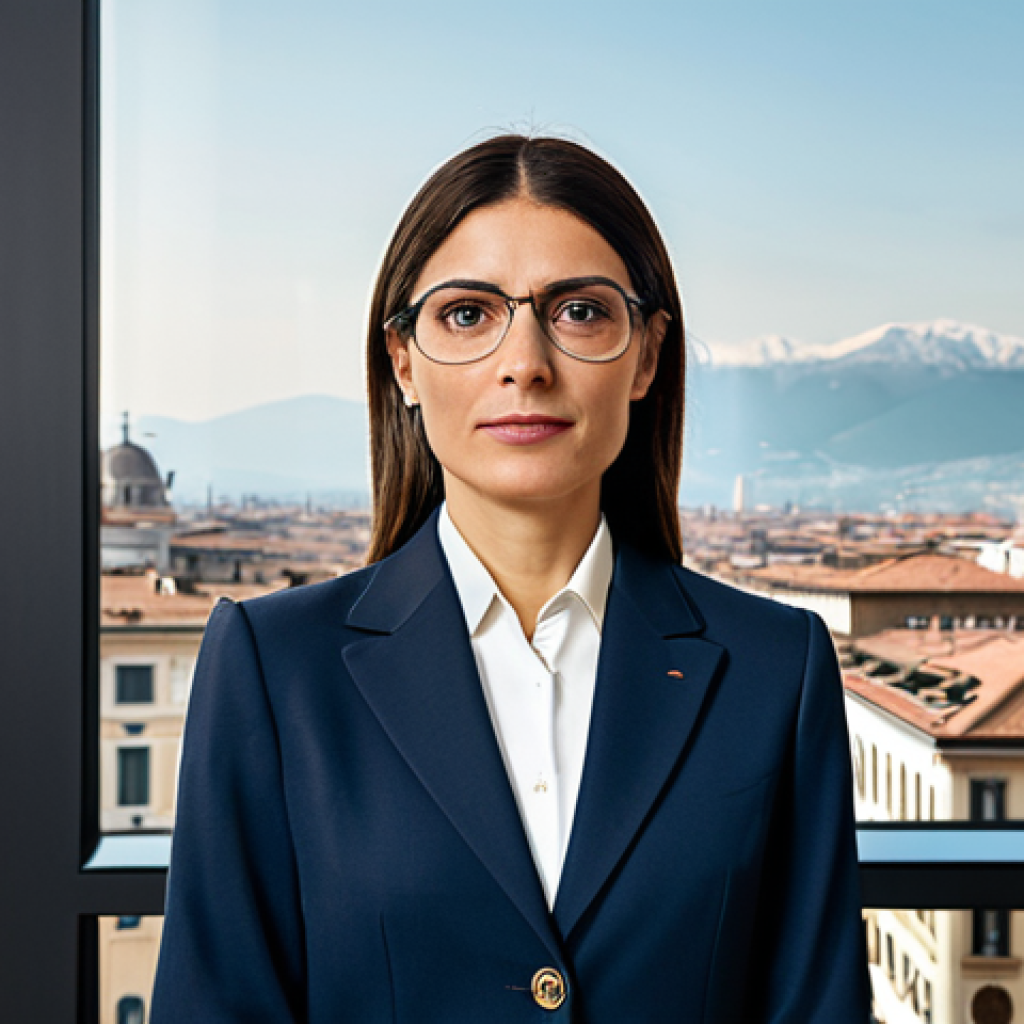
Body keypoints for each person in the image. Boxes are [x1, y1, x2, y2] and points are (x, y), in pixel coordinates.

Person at [150, 134, 871, 1022]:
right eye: (467, 314)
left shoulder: (776, 670)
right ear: (402, 362)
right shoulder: (273, 668)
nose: (524, 362)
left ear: (645, 357)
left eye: (578, 313)